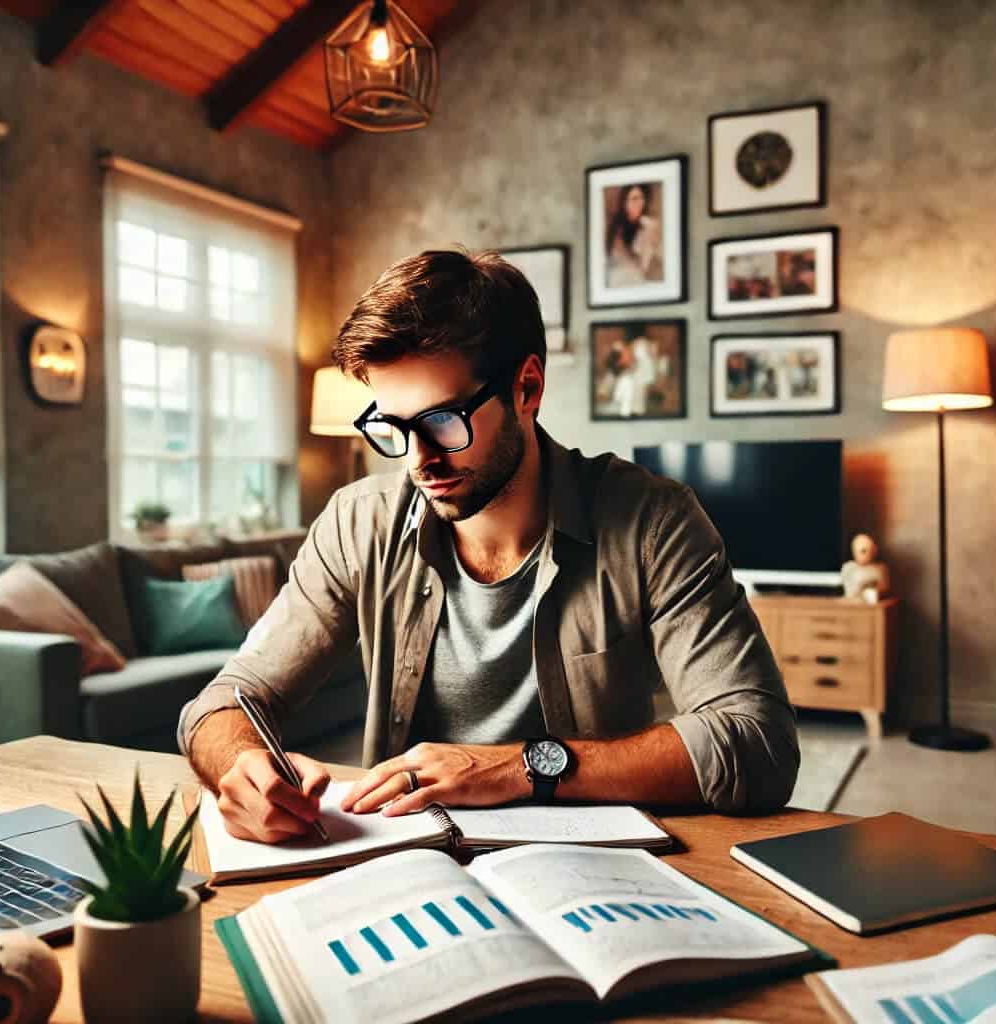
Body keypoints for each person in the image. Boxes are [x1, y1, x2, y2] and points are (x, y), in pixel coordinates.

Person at [179, 249, 798, 843]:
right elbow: (221, 703)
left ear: (527, 388)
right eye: (392, 427)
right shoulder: (357, 523)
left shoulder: (653, 523)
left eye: (442, 421)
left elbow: (755, 741)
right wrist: (243, 766)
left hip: (593, 869)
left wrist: (515, 768)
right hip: (409, 862)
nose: (420, 460)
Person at [605, 183, 661, 287]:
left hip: (641, 276)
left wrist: (651, 233)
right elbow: (630, 262)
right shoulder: (618, 227)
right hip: (620, 278)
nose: (640, 203)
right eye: (634, 199)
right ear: (625, 203)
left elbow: (648, 261)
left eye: (642, 198)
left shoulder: (647, 224)